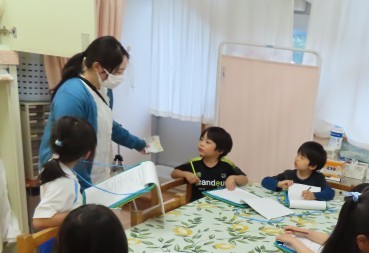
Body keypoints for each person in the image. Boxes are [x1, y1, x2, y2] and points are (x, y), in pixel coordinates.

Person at [38, 36, 147, 187]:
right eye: (117, 71)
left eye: (122, 72)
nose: (120, 77)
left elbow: (107, 125)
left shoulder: (104, 89)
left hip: (93, 172)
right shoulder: (72, 94)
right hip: (66, 177)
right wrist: (86, 189)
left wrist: (138, 144)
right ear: (97, 67)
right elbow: (71, 147)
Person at [33, 116, 97, 231]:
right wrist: (81, 214)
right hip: (64, 239)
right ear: (87, 154)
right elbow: (39, 221)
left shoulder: (54, 165)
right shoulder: (64, 181)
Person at [171, 126, 248, 202]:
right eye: (201, 140)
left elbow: (245, 179)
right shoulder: (194, 163)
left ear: (220, 150)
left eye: (207, 142)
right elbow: (174, 173)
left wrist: (233, 178)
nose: (201, 144)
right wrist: (185, 174)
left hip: (220, 204)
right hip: (197, 205)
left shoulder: (227, 164)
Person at [261, 141, 335, 201]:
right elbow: (265, 181)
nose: (297, 159)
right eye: (298, 155)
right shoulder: (288, 174)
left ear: (312, 166)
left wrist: (314, 195)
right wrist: (279, 184)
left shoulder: (318, 178)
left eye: (302, 158)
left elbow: (330, 193)